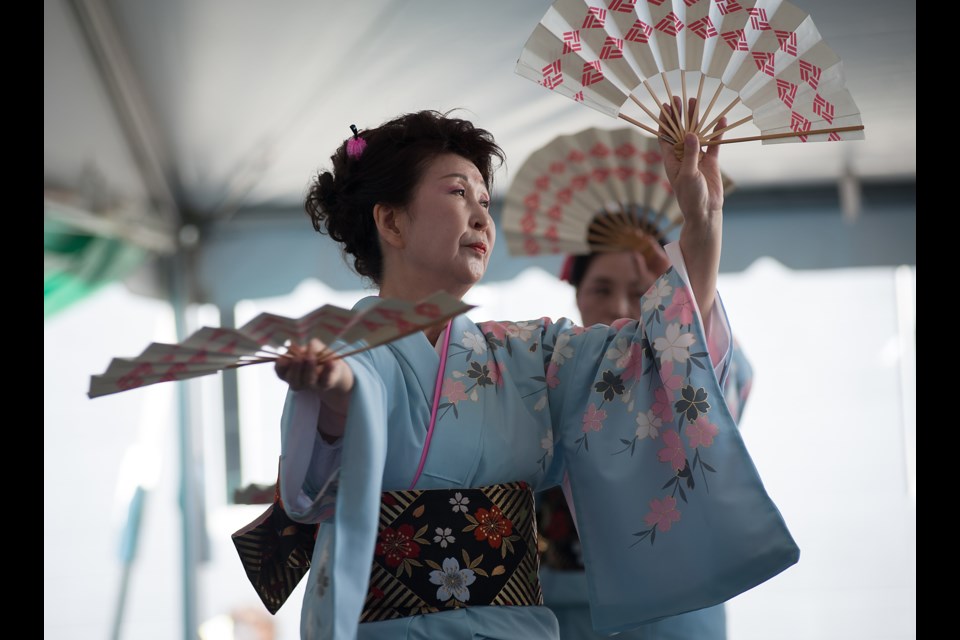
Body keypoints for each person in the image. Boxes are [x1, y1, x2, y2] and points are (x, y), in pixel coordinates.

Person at [265, 107, 797, 639]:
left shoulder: (528, 353)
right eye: (457, 193)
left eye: (485, 201)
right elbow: (313, 489)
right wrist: (335, 399)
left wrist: (703, 226)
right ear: (391, 221)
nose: (480, 216)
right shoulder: (348, 350)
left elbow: (650, 358)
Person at [537, 238, 756, 640]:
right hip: (567, 609)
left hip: (680, 608)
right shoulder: (544, 376)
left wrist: (687, 301)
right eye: (602, 289)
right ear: (578, 294)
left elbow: (730, 383)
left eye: (639, 292)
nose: (621, 307)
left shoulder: (688, 377)